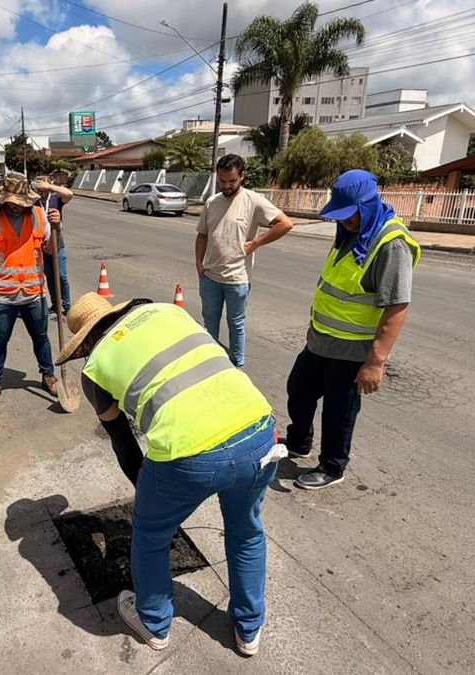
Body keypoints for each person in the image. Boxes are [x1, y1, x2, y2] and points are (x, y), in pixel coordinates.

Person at [57, 291, 280, 657]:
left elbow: (125, 446)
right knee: (246, 531)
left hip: (189, 454)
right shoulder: (166, 312)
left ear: (87, 343)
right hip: (258, 432)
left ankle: (154, 622)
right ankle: (248, 629)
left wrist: (151, 502)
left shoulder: (96, 368)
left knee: (150, 533)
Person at [283, 169, 420, 489]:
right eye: (340, 215)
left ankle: (332, 466)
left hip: (351, 350)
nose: (344, 221)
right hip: (320, 341)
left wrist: (375, 362)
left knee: (338, 413)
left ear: (369, 205)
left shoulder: (390, 244)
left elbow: (397, 306)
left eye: (350, 215)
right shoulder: (352, 233)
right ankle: (299, 442)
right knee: (298, 391)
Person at [195, 154, 294, 368]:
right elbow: (202, 235)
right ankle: (211, 365)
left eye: (231, 181)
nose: (226, 185)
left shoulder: (253, 200)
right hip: (210, 277)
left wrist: (256, 242)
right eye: (222, 181)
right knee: (209, 323)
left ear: (242, 176)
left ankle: (238, 367)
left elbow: (285, 224)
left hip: (237, 280)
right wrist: (199, 264)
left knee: (235, 325)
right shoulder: (212, 202)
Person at [0, 174, 60, 407]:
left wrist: (57, 227)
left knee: (41, 337)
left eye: (22, 203)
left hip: (34, 293)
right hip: (2, 295)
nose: (17, 207)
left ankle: (48, 376)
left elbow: (51, 249)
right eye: (13, 203)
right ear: (3, 199)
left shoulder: (41, 216)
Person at [34, 175, 74, 314]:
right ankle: (56, 304)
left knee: (62, 276)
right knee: (50, 276)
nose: (42, 191)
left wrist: (50, 186)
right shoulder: (34, 202)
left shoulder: (55, 199)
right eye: (40, 188)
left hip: (58, 244)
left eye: (44, 188)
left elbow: (69, 194)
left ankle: (67, 305)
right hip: (41, 246)